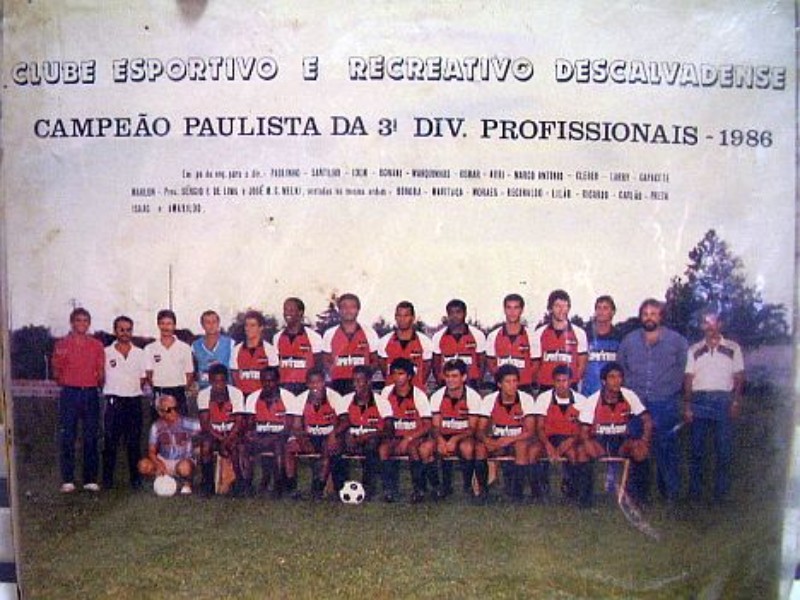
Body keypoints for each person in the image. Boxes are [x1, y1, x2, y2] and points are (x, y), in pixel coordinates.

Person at [617, 298, 688, 503]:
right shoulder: (629, 341)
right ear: (641, 317)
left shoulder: (677, 341)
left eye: (653, 314)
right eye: (645, 314)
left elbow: (684, 369)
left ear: (661, 316)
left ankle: (670, 494)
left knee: (666, 447)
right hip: (636, 403)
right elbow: (621, 368)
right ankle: (639, 494)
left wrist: (672, 389)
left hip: (665, 401)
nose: (649, 318)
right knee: (637, 446)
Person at [684, 311, 744, 503]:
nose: (710, 327)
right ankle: (695, 493)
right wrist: (688, 405)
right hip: (700, 399)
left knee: (723, 449)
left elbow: (739, 377)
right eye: (706, 323)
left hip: (723, 400)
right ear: (702, 326)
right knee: (697, 449)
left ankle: (721, 494)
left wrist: (735, 401)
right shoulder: (694, 349)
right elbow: (688, 378)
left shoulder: (733, 348)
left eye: (713, 322)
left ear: (720, 325)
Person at [582, 362, 652, 505]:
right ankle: (586, 498)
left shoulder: (629, 395)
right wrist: (589, 444)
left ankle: (638, 497)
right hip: (600, 440)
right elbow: (583, 432)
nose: (616, 381)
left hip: (621, 441)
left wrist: (644, 440)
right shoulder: (593, 400)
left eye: (619, 377)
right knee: (584, 451)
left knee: (640, 451)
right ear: (603, 381)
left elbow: (647, 420)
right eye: (612, 377)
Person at [51, 307, 105, 493]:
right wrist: (70, 382)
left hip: (90, 393)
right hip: (70, 394)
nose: (81, 323)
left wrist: (93, 383)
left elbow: (101, 372)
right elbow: (56, 371)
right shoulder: (62, 344)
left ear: (89, 323)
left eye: (85, 320)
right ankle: (68, 479)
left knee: (91, 436)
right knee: (68, 436)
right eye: (78, 320)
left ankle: (90, 479)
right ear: (72, 322)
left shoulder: (97, 345)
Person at [377, 358, 438, 503]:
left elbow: (427, 425)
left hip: (415, 437)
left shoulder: (419, 395)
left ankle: (418, 489)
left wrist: (409, 438)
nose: (397, 377)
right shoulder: (386, 392)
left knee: (412, 448)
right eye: (394, 374)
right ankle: (389, 490)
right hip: (395, 437)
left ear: (409, 376)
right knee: (383, 449)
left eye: (401, 374)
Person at [532, 365, 592, 506]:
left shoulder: (581, 400)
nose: (561, 384)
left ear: (570, 381)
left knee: (573, 453)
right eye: (558, 381)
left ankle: (572, 492)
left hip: (571, 437)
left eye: (564, 380)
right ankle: (540, 492)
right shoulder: (544, 398)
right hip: (548, 437)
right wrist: (548, 445)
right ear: (553, 382)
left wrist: (569, 442)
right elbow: (539, 427)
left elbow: (583, 429)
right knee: (534, 452)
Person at [476, 365, 537, 502]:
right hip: (497, 439)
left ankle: (517, 493)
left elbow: (530, 431)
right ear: (499, 384)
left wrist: (509, 439)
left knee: (521, 446)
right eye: (508, 382)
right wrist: (488, 441)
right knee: (480, 448)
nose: (512, 385)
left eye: (515, 381)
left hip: (517, 439)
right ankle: (483, 491)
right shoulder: (489, 400)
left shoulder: (526, 399)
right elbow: (479, 430)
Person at [285, 368, 347, 499]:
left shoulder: (334, 397)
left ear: (324, 382)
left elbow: (345, 421)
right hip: (309, 435)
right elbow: (296, 426)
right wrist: (303, 440)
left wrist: (333, 434)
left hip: (329, 435)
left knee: (328, 448)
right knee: (289, 448)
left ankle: (318, 488)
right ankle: (291, 487)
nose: (315, 386)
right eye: (312, 383)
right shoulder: (300, 399)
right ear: (307, 384)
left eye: (318, 382)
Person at [102, 315, 146, 490]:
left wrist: (130, 391)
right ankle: (107, 480)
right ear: (115, 331)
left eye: (128, 330)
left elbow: (143, 378)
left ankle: (135, 480)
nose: (125, 333)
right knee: (110, 442)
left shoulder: (140, 353)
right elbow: (101, 376)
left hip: (134, 401)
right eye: (121, 329)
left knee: (133, 443)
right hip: (114, 402)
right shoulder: (106, 352)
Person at [429, 359, 483, 498]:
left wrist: (455, 439)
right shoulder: (437, 396)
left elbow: (472, 428)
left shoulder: (473, 397)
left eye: (454, 376)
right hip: (444, 434)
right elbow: (435, 426)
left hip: (464, 435)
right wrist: (440, 440)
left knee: (467, 448)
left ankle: (467, 486)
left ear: (463, 377)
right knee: (427, 449)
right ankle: (440, 486)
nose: (450, 380)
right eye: (447, 376)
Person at [241, 366, 296, 497]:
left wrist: (271, 437)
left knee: (278, 445)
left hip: (281, 437)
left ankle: (279, 485)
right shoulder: (252, 398)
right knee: (243, 447)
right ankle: (246, 484)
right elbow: (250, 425)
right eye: (264, 381)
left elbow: (288, 428)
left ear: (277, 381)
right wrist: (251, 435)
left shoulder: (288, 397)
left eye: (271, 381)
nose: (267, 384)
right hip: (260, 436)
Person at [197, 364, 248, 496]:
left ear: (227, 380)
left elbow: (239, 422)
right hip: (214, 434)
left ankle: (240, 483)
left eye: (222, 381)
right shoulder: (203, 395)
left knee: (237, 446)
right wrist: (221, 439)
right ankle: (207, 483)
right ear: (210, 380)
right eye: (215, 381)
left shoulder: (236, 393)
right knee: (206, 446)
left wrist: (227, 440)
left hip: (232, 433)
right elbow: (205, 424)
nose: (219, 385)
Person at [137, 394, 200, 495]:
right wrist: (159, 463)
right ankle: (164, 479)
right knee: (142, 465)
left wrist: (198, 449)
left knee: (184, 467)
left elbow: (205, 428)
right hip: (164, 459)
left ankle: (186, 482)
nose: (173, 412)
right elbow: (151, 451)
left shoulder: (187, 423)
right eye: (169, 410)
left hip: (183, 460)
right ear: (160, 412)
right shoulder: (156, 426)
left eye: (175, 408)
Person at [341, 365, 387, 499]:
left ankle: (368, 488)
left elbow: (389, 430)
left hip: (372, 440)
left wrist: (368, 435)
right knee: (335, 446)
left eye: (359, 380)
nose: (355, 384)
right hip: (352, 439)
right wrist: (347, 435)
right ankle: (339, 487)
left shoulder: (381, 402)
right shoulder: (346, 400)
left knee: (371, 445)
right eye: (354, 380)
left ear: (368, 381)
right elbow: (341, 423)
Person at [321, 293, 379, 396]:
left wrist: (366, 376)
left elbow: (375, 359)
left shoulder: (369, 332)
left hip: (362, 384)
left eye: (352, 307)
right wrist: (336, 372)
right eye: (344, 307)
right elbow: (325, 360)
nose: (348, 310)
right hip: (338, 384)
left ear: (358, 310)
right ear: (339, 310)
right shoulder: (329, 333)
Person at [530, 289, 588, 392]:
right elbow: (535, 366)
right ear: (550, 308)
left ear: (569, 308)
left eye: (565, 306)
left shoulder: (579, 333)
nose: (561, 310)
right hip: (546, 387)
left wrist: (571, 382)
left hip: (569, 388)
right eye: (557, 306)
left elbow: (581, 365)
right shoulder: (539, 333)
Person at [145, 309, 194, 416]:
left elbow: (189, 374)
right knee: (159, 424)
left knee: (180, 424)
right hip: (159, 391)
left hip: (178, 392)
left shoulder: (185, 348)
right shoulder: (150, 348)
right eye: (162, 323)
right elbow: (149, 373)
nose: (165, 327)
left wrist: (181, 390)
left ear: (174, 325)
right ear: (158, 325)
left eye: (169, 324)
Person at [272, 297, 324, 395]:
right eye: (285, 310)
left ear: (300, 312)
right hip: (284, 388)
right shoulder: (277, 337)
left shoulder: (314, 337)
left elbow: (318, 367)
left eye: (291, 310)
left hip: (305, 388)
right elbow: (276, 367)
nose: (287, 313)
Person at [378, 300, 433, 390]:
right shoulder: (384, 341)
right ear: (395, 317)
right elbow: (384, 370)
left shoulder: (425, 342)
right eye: (399, 315)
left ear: (413, 317)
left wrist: (416, 385)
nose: (402, 319)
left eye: (406, 315)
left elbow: (426, 370)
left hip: (416, 393)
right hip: (392, 393)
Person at [431, 299, 486, 390]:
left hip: (471, 383)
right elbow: (436, 364)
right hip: (447, 383)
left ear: (465, 313)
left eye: (458, 312)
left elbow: (482, 362)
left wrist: (478, 382)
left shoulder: (478, 335)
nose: (455, 316)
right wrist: (441, 382)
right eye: (451, 313)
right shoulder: (438, 336)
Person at [485, 293, 535, 394]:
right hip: (501, 387)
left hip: (524, 387)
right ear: (504, 310)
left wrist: (522, 380)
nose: (512, 312)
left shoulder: (532, 336)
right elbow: (491, 363)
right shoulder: (493, 335)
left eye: (516, 308)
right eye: (509, 308)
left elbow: (535, 364)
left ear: (521, 310)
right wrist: (503, 381)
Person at [581, 295, 623, 397]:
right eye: (598, 308)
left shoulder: (620, 337)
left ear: (612, 312)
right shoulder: (585, 335)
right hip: (587, 393)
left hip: (611, 394)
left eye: (605, 308)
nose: (601, 312)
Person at [231, 310, 279, 397]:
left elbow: (274, 377)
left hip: (263, 397)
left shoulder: (270, 350)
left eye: (252, 325)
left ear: (261, 327)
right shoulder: (236, 350)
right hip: (243, 397)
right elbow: (235, 378)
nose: (248, 329)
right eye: (246, 325)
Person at [191, 310, 234, 390]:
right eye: (208, 322)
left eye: (214, 322)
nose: (211, 325)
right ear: (202, 325)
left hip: (225, 389)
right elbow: (193, 371)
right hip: (204, 389)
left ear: (218, 323)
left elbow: (234, 370)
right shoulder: (195, 346)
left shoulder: (230, 343)